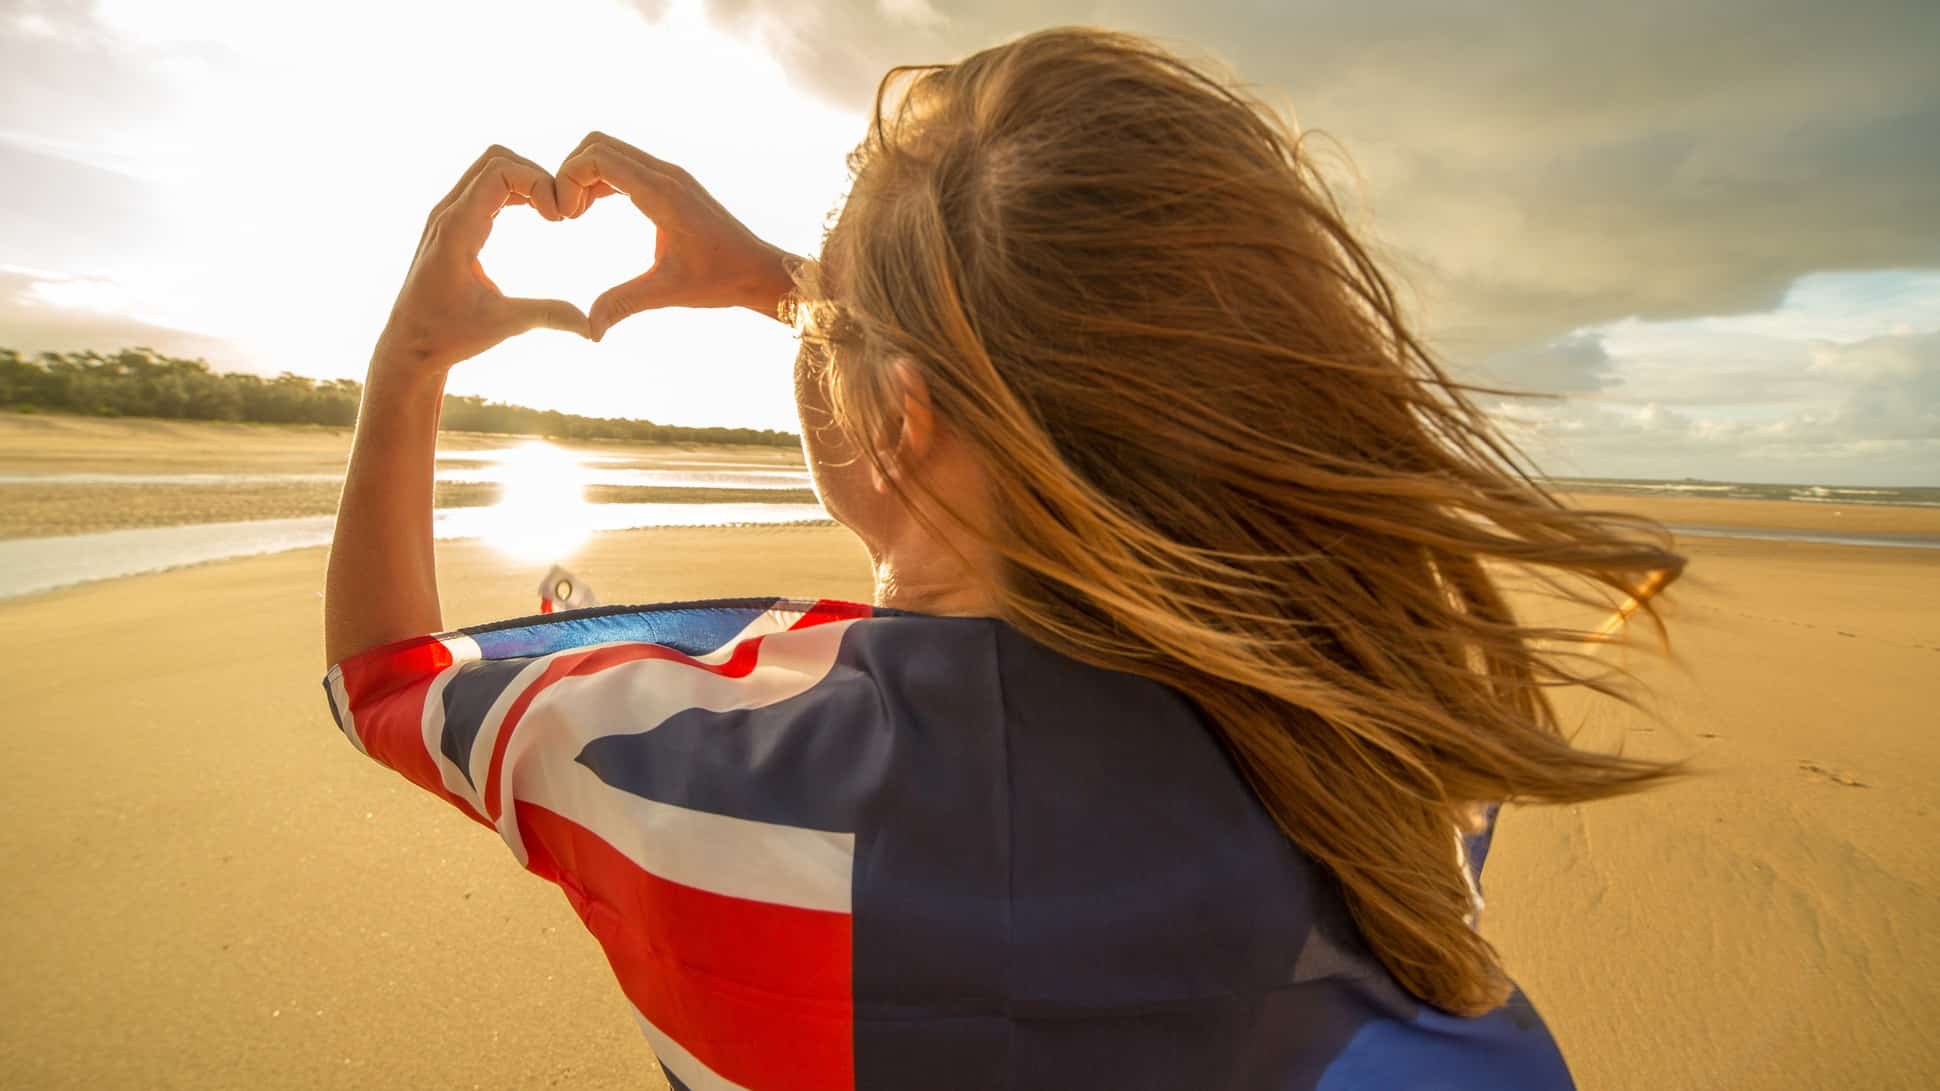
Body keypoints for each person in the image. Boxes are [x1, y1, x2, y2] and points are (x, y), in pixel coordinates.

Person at [322, 26, 1681, 1090]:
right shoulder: (1377, 725)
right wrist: (816, 298)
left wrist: (415, 357)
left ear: (902, 413)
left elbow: (384, 678)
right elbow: (1032, 397)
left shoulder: (694, 782)